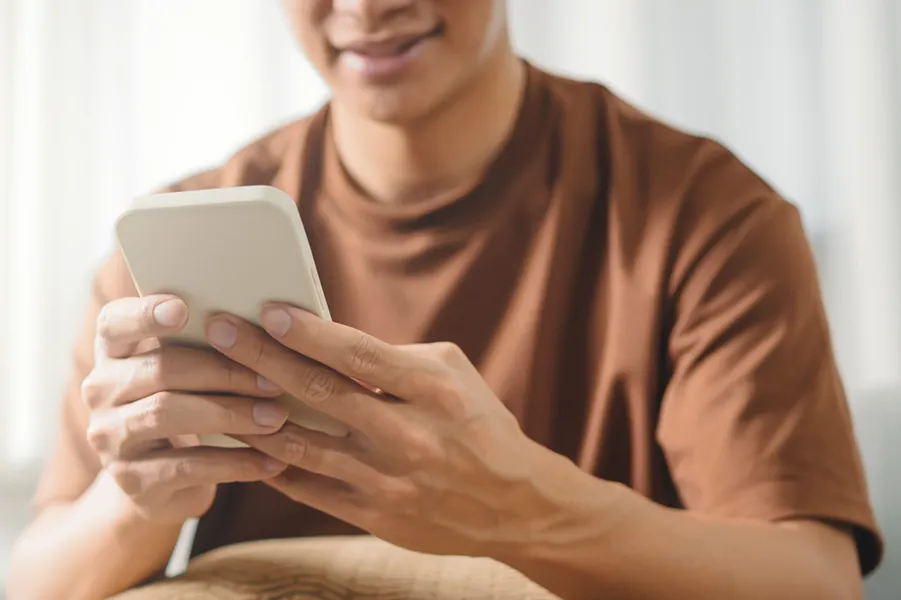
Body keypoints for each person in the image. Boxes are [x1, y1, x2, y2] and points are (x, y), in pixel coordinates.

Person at [8, 1, 882, 599]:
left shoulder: (705, 215)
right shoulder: (179, 240)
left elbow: (812, 578)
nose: (366, 3)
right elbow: (36, 578)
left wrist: (524, 510)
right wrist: (136, 503)